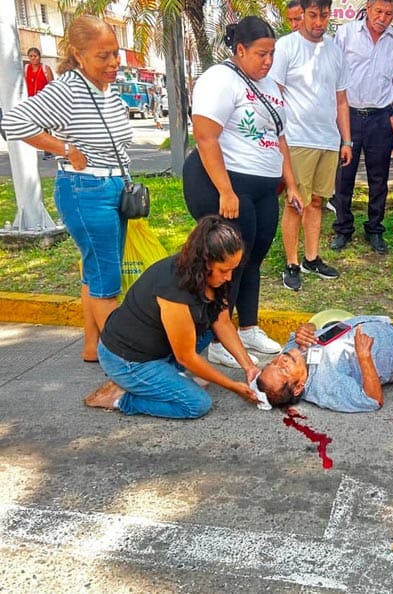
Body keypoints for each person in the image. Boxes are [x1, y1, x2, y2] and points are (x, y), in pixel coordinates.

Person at [3, 16, 132, 364]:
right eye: (102, 56)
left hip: (111, 187)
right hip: (86, 189)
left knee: (97, 272)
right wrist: (63, 148)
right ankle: (128, 364)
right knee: (107, 281)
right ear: (78, 54)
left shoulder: (107, 87)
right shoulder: (69, 88)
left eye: (115, 54)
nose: (112, 63)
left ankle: (93, 347)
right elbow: (13, 121)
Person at [183, 16, 298, 366]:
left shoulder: (269, 86)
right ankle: (218, 335)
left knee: (255, 256)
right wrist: (226, 190)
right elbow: (205, 137)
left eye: (272, 54)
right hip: (226, 184)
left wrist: (291, 182)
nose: (268, 61)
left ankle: (247, 327)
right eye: (261, 54)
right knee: (230, 261)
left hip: (264, 187)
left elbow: (279, 138)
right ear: (239, 50)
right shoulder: (220, 79)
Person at [83, 216, 261, 418]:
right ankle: (119, 398)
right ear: (204, 262)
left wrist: (249, 367)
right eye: (224, 270)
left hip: (158, 348)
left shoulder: (213, 277)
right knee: (197, 404)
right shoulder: (174, 289)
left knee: (209, 329)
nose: (229, 277)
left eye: (233, 269)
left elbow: (223, 323)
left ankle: (161, 379)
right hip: (127, 359)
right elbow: (186, 357)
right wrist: (232, 386)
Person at [270, 0, 352, 291]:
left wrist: (346, 140)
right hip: (297, 139)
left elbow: (341, 99)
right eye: (313, 15)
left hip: (328, 140)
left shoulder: (334, 50)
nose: (319, 22)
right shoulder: (286, 47)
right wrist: (277, 140)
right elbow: (274, 96)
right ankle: (292, 263)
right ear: (302, 14)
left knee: (317, 201)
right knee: (296, 203)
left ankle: (311, 258)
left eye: (324, 15)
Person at [329, 0, 393, 255]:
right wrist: (334, 114)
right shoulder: (345, 34)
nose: (382, 18)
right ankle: (343, 228)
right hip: (349, 116)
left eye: (388, 13)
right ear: (368, 8)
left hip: (381, 118)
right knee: (344, 177)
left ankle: (375, 229)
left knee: (380, 179)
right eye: (378, 11)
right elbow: (331, 73)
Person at [257, 315, 393, 411]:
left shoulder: (293, 351)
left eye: (273, 363)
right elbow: (373, 400)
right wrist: (364, 356)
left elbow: (314, 328)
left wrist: (308, 328)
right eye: (283, 369)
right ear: (298, 388)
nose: (282, 359)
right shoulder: (327, 388)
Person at [25, 47, 55, 159]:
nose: (33, 58)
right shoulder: (26, 68)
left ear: (39, 57)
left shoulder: (45, 68)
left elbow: (52, 85)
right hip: (31, 102)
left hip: (43, 102)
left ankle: (49, 151)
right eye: (31, 56)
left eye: (35, 56)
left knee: (45, 127)